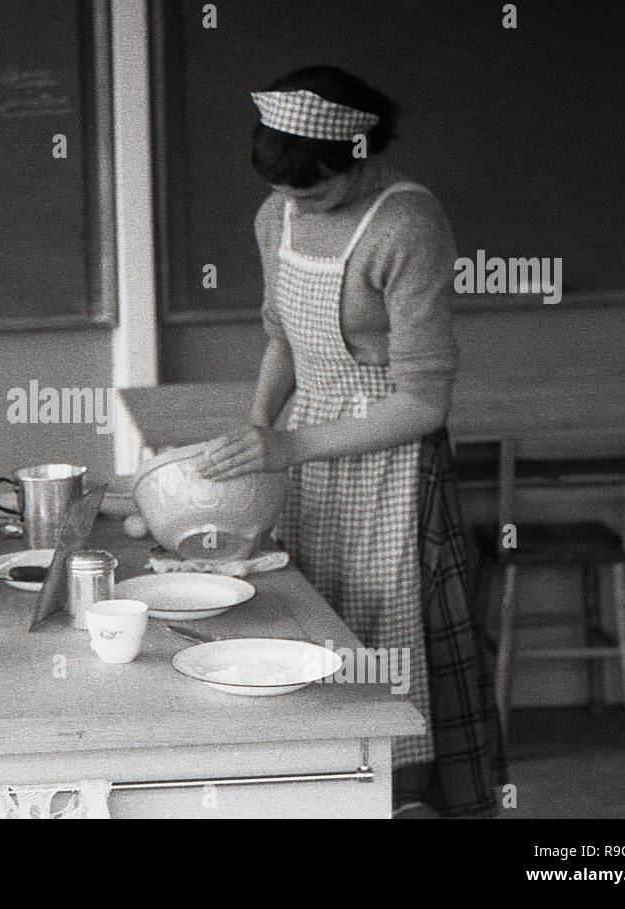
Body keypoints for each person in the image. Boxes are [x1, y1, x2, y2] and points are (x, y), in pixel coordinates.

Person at [201, 67, 504, 817]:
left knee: (386, 641)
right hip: (307, 450)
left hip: (391, 459)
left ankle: (399, 798)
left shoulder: (408, 224)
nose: (297, 204)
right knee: (307, 620)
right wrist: (260, 432)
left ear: (360, 155)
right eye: (287, 192)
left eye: (318, 191)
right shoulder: (278, 216)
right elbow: (281, 340)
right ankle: (312, 796)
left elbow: (425, 402)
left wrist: (290, 447)